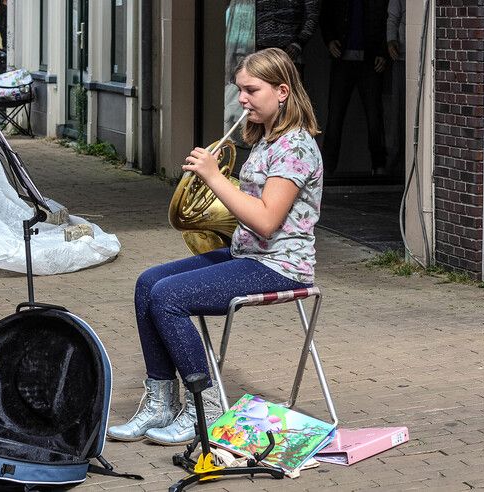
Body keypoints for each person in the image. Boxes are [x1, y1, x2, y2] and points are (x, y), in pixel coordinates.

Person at [107, 48, 323, 445]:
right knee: (146, 282)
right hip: (248, 254)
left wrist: (212, 176)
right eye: (240, 89)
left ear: (282, 91)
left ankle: (203, 409)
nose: (242, 98)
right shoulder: (265, 140)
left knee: (168, 296)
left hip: (280, 265)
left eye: (251, 90)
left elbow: (265, 219)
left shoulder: (295, 148)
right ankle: (160, 401)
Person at [320, 0, 389, 176]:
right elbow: (325, 14)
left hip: (370, 59)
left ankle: (379, 165)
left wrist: (383, 51)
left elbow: (386, 18)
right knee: (335, 116)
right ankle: (327, 169)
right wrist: (329, 40)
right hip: (343, 59)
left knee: (374, 117)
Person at [255, 0, 319, 73]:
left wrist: (299, 43)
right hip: (260, 51)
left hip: (290, 51)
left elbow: (312, 16)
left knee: (290, 83)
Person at [387, 0, 406, 174]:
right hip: (401, 58)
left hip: (422, 58)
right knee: (397, 115)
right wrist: (391, 40)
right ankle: (394, 168)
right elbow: (392, 17)